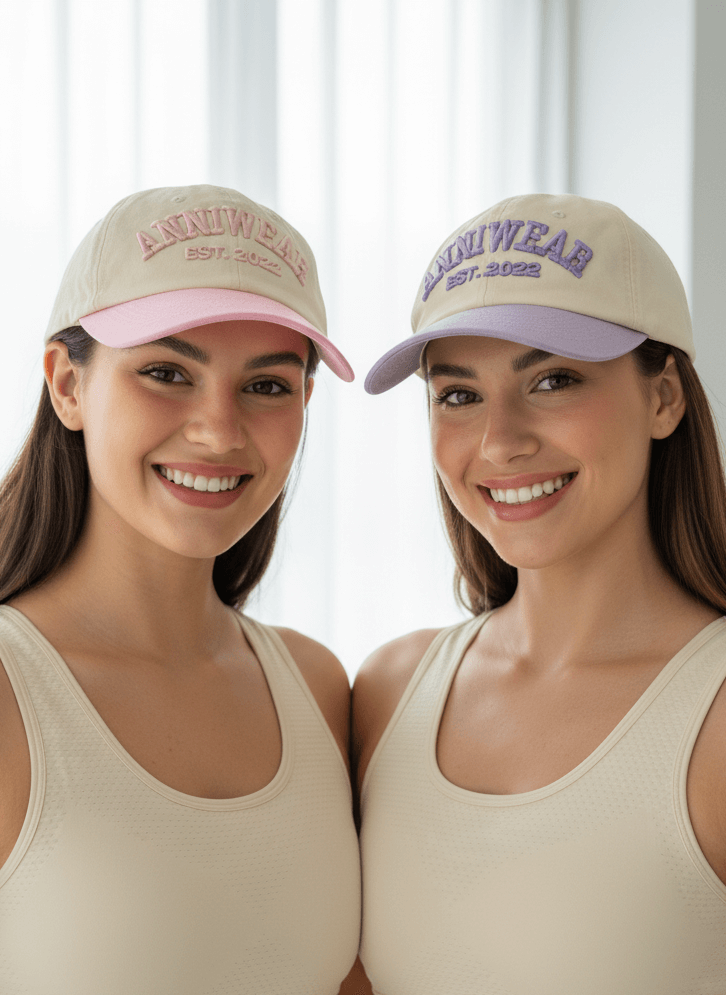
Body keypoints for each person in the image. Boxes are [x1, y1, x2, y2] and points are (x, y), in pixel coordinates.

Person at [354, 193, 726, 994]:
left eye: (553, 379)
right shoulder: (388, 694)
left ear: (664, 398)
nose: (500, 440)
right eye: (458, 394)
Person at [0, 184, 362, 995]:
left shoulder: (317, 687)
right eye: (167, 371)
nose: (219, 429)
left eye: (267, 385)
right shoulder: (12, 692)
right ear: (67, 383)